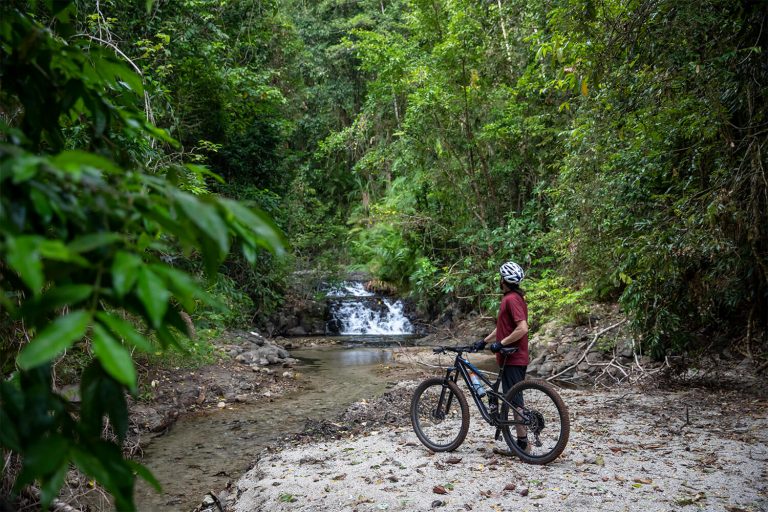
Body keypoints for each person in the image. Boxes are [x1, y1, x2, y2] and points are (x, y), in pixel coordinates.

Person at [472, 261, 530, 453]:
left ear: (503, 280)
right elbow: (503, 327)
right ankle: (520, 444)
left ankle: (522, 445)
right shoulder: (515, 298)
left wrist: (501, 344)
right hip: (510, 358)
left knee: (515, 402)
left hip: (513, 358)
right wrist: (485, 341)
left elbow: (522, 328)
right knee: (511, 398)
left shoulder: (510, 299)